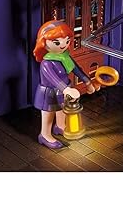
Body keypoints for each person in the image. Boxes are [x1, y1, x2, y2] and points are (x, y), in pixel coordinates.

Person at [33, 20, 97, 149]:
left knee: (62, 109)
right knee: (48, 114)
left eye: (67, 40)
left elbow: (76, 69)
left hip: (63, 91)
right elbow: (53, 79)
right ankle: (44, 135)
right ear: (43, 43)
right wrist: (67, 89)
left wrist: (87, 82)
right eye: (57, 42)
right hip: (49, 92)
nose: (63, 45)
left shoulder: (65, 57)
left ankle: (60, 126)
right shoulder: (46, 63)